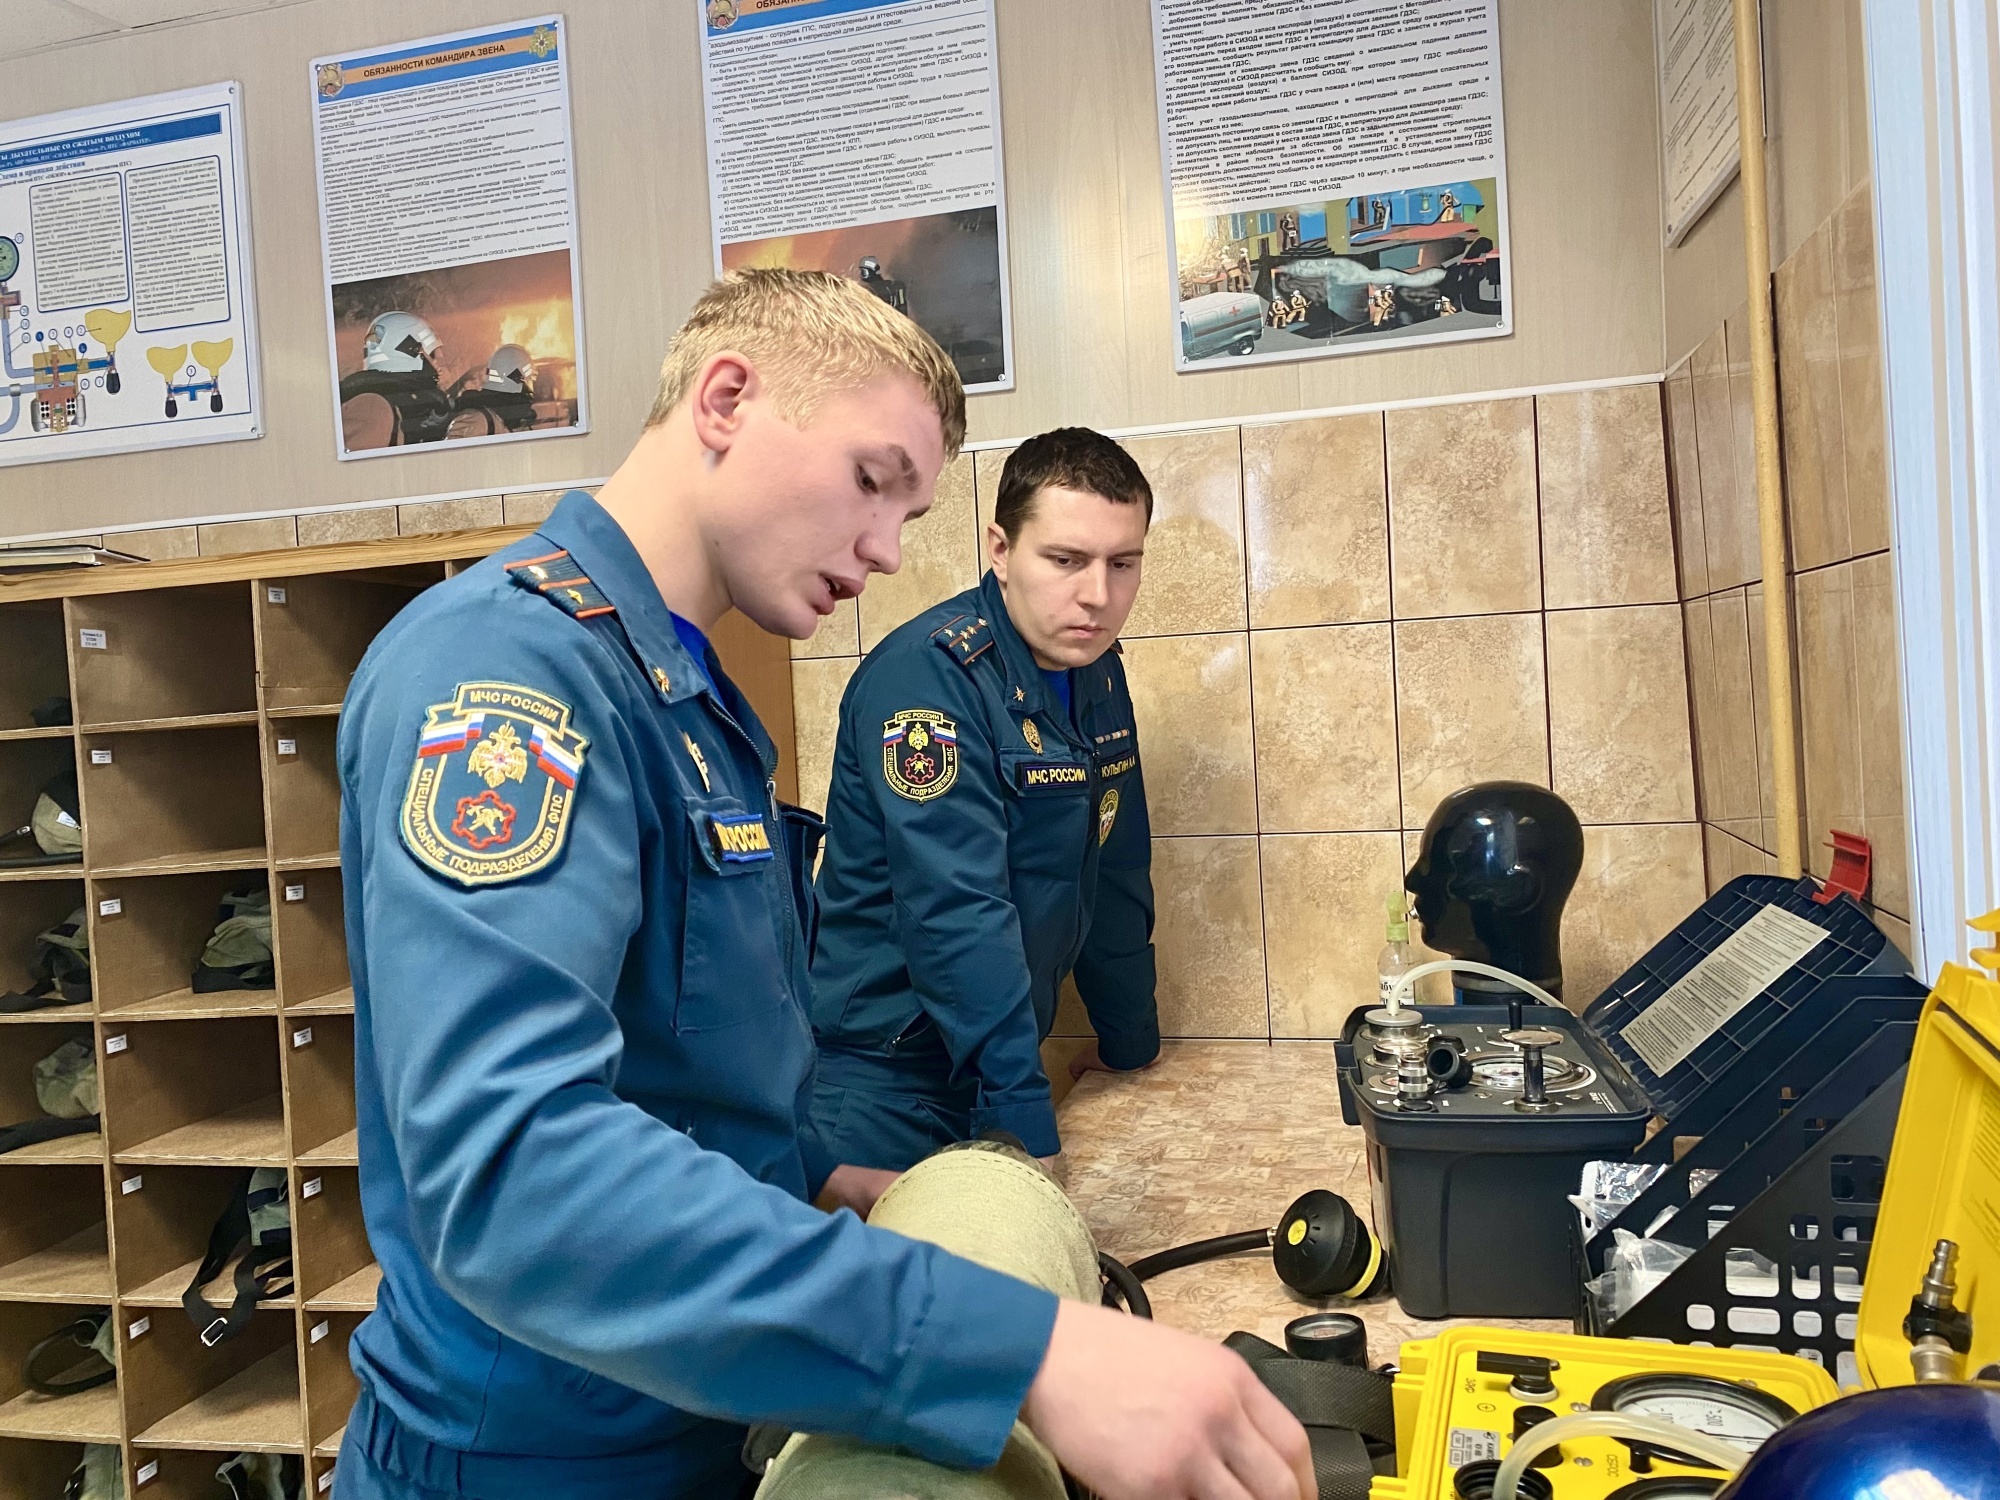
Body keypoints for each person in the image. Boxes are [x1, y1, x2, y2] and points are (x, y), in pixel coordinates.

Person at [333, 268, 1312, 1500]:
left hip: (702, 1411)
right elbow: (511, 1172)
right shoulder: (504, 677)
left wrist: (805, 1174)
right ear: (728, 399)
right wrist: (1019, 1353)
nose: (888, 551)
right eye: (871, 481)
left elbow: (678, 1063)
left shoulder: (690, 700)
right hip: (536, 1455)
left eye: (909, 512)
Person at [809, 429, 1159, 1174]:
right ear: (1000, 549)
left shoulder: (1094, 671)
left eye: (1122, 563)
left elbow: (1116, 866)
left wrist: (1131, 1044)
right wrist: (1022, 1123)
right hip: (884, 1084)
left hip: (995, 1067)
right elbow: (956, 911)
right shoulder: (927, 680)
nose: (1098, 595)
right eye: (1065, 560)